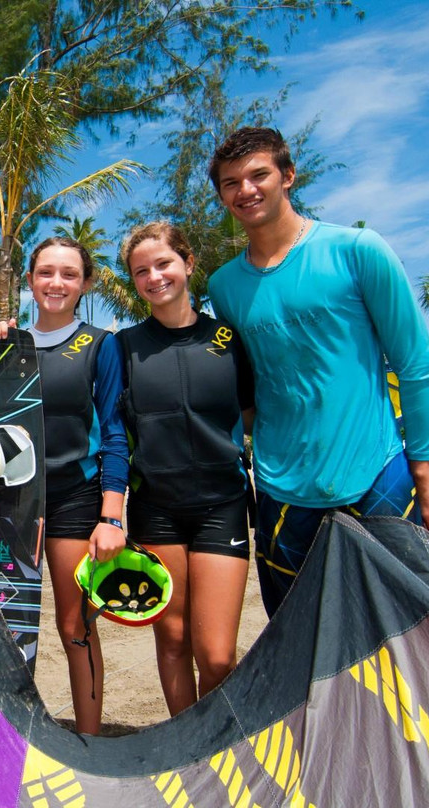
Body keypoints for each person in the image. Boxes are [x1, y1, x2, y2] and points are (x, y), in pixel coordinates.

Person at [207, 127, 429, 617]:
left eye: (258, 174)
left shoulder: (358, 250)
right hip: (283, 488)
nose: (246, 189)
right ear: (222, 196)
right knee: (299, 639)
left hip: (377, 472)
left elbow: (416, 365)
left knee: (409, 632)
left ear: (288, 175)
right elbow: (244, 382)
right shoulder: (224, 287)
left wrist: (424, 465)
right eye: (231, 182)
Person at [117, 222, 254, 716]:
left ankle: (219, 747)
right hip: (157, 509)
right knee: (172, 640)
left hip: (222, 504)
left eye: (164, 263)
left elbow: (252, 411)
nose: (154, 277)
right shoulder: (125, 345)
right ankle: (186, 752)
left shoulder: (227, 338)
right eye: (141, 271)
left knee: (216, 655)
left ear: (188, 263)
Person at [26, 236, 129, 734]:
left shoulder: (100, 344)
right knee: (8, 626)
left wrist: (112, 514)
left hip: (74, 498)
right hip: (12, 500)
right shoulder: (5, 342)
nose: (56, 283)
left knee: (76, 627)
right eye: (46, 272)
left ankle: (89, 741)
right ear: (30, 280)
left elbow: (114, 431)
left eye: (69, 274)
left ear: (85, 283)